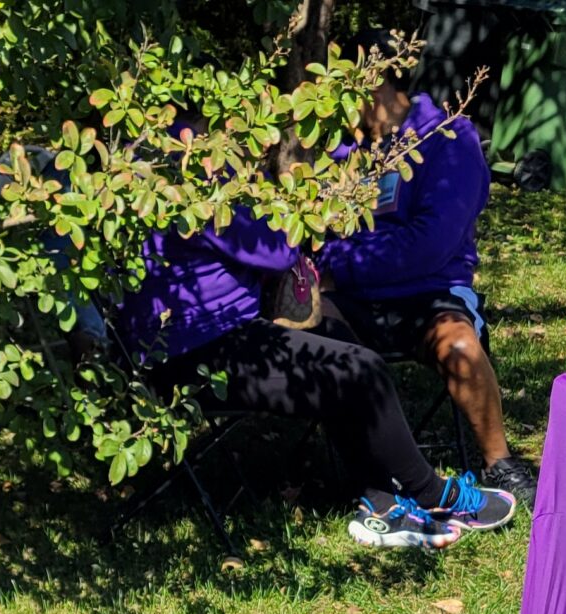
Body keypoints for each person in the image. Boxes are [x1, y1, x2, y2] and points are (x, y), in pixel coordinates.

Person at [112, 136, 517, 551]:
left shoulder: (147, 155)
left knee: (336, 344)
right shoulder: (202, 164)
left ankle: (382, 504)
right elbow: (276, 248)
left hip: (180, 342)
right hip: (200, 348)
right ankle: (434, 495)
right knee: (360, 372)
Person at [319, 84, 535, 504]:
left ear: (380, 84)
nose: (341, 108)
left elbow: (431, 244)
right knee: (320, 335)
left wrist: (341, 266)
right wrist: (335, 266)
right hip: (350, 296)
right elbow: (316, 237)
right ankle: (372, 476)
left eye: (350, 93)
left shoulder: (449, 138)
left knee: (459, 346)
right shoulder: (338, 149)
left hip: (428, 290)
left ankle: (500, 463)